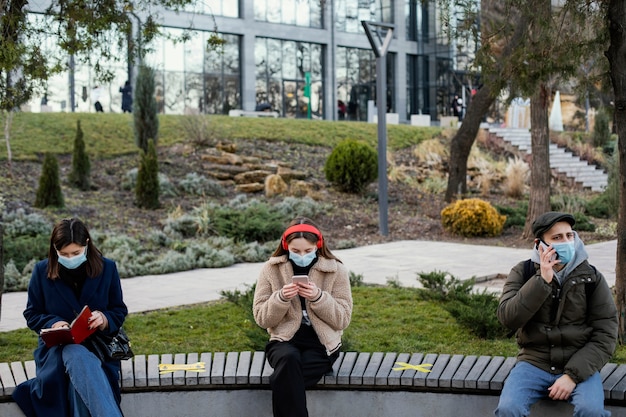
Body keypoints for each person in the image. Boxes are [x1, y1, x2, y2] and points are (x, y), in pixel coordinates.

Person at [495, 212, 617, 417]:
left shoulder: (592, 278)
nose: (567, 242)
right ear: (539, 244)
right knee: (509, 409)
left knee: (591, 411)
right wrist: (541, 281)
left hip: (579, 362)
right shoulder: (523, 272)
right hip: (534, 361)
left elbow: (606, 334)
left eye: (569, 236)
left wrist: (572, 376)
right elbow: (508, 318)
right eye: (557, 238)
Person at [12, 218, 128, 417]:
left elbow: (118, 310)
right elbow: (32, 314)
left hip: (97, 347)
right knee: (75, 354)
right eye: (63, 254)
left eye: (75, 253)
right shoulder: (42, 271)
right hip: (55, 350)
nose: (70, 258)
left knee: (78, 374)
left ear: (87, 244)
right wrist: (53, 323)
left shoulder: (107, 268)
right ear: (54, 249)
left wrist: (104, 318)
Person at [253, 218, 353, 417]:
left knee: (285, 376)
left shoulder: (336, 270)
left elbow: (343, 319)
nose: (301, 256)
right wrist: (281, 298)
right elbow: (262, 318)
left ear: (318, 245)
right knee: (288, 361)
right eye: (295, 251)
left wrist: (318, 297)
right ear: (285, 246)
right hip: (284, 341)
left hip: (321, 343)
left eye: (307, 251)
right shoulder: (270, 269)